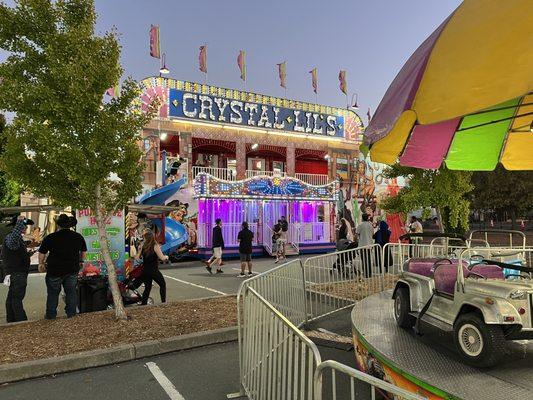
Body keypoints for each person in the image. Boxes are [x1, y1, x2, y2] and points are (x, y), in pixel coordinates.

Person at [38, 214, 87, 319]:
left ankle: (51, 315)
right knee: (71, 292)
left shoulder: (50, 237)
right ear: (69, 225)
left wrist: (41, 264)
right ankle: (71, 314)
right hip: (72, 269)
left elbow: (42, 253)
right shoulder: (78, 236)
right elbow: (83, 251)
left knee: (52, 294)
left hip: (54, 270)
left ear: (58, 225)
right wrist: (81, 261)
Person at [3, 215, 34, 323]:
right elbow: (13, 240)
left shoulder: (14, 239)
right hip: (17, 273)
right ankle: (21, 322)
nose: (26, 228)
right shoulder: (12, 238)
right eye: (24, 226)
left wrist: (28, 254)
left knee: (11, 298)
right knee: (16, 299)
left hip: (14, 272)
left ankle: (11, 320)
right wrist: (20, 222)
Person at [135, 229, 168, 305]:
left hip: (145, 270)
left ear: (146, 238)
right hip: (153, 270)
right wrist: (166, 257)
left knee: (147, 287)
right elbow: (162, 258)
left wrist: (139, 250)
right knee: (162, 284)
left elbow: (137, 257)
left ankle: (144, 303)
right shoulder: (155, 246)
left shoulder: (143, 245)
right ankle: (163, 302)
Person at [356, 214, 375, 278]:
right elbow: (372, 234)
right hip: (369, 245)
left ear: (362, 218)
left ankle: (365, 274)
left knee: (364, 260)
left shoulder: (360, 225)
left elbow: (357, 234)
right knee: (368, 260)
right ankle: (369, 274)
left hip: (363, 245)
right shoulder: (370, 225)